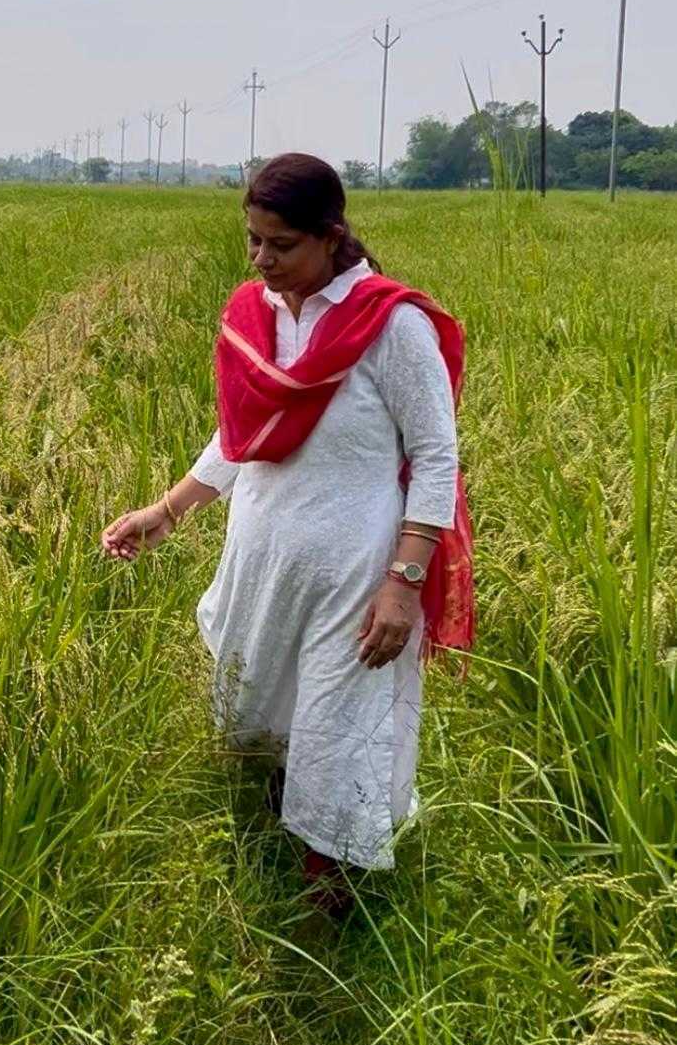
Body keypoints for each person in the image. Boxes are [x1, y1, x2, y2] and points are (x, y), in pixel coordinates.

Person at [101, 153, 473, 912]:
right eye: (252, 242)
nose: (262, 261)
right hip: (263, 556)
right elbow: (240, 435)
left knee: (340, 725)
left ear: (332, 236)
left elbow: (438, 456)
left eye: (281, 245)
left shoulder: (392, 325)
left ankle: (330, 904)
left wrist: (403, 584)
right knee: (257, 708)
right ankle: (279, 828)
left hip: (355, 570)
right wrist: (166, 512)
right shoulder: (258, 315)